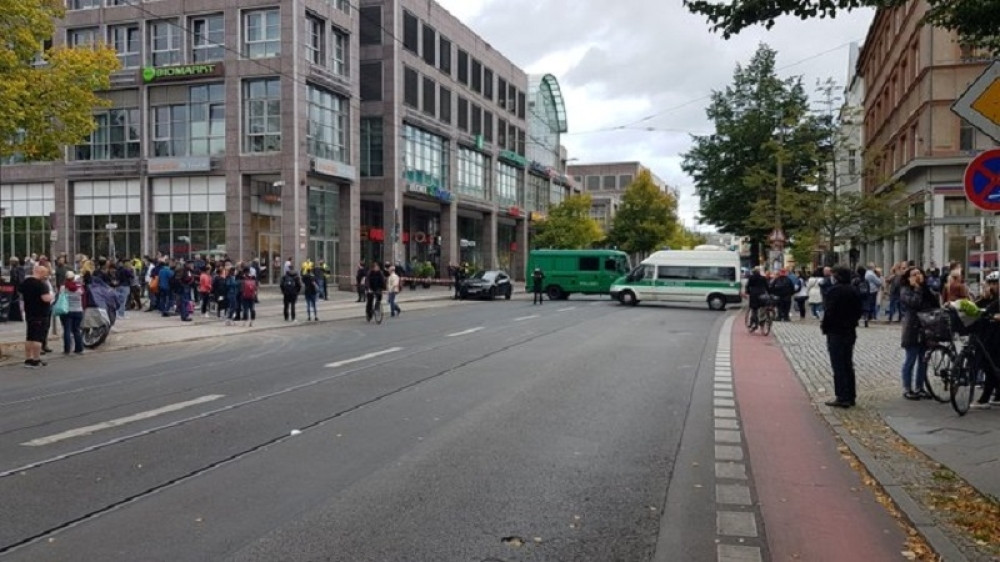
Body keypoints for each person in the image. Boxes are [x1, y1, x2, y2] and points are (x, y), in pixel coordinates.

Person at [821, 266, 864, 408]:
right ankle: (851, 395)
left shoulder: (834, 291)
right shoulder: (854, 290)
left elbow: (829, 311)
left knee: (838, 364)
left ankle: (842, 396)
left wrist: (825, 326)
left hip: (836, 331)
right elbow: (859, 310)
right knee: (848, 363)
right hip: (849, 330)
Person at [899, 266, 940, 400]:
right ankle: (907, 388)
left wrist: (924, 288)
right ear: (908, 278)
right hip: (913, 327)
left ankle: (920, 387)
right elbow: (914, 303)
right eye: (913, 274)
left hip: (926, 328)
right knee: (911, 359)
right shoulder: (905, 290)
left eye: (919, 273)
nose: (917, 276)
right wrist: (916, 288)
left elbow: (935, 303)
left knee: (923, 360)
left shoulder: (925, 289)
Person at [971, 271, 1000, 409]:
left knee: (991, 366)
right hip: (988, 335)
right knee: (991, 365)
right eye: (991, 283)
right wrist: (982, 297)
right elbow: (977, 308)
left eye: (995, 283)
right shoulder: (989, 297)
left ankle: (985, 398)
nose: (993, 286)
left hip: (996, 336)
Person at [21, 265, 54, 368]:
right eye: (45, 273)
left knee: (29, 336)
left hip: (29, 312)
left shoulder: (25, 283)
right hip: (40, 313)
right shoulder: (41, 285)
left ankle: (28, 359)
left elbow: (21, 294)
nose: (46, 275)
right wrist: (52, 295)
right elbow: (45, 299)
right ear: (41, 272)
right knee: (37, 338)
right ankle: (36, 359)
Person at [59, 271, 85, 355]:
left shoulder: (63, 287)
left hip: (67, 311)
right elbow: (83, 294)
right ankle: (79, 348)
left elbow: (60, 296)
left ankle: (67, 349)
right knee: (76, 330)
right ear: (74, 278)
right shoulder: (79, 287)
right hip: (78, 310)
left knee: (67, 330)